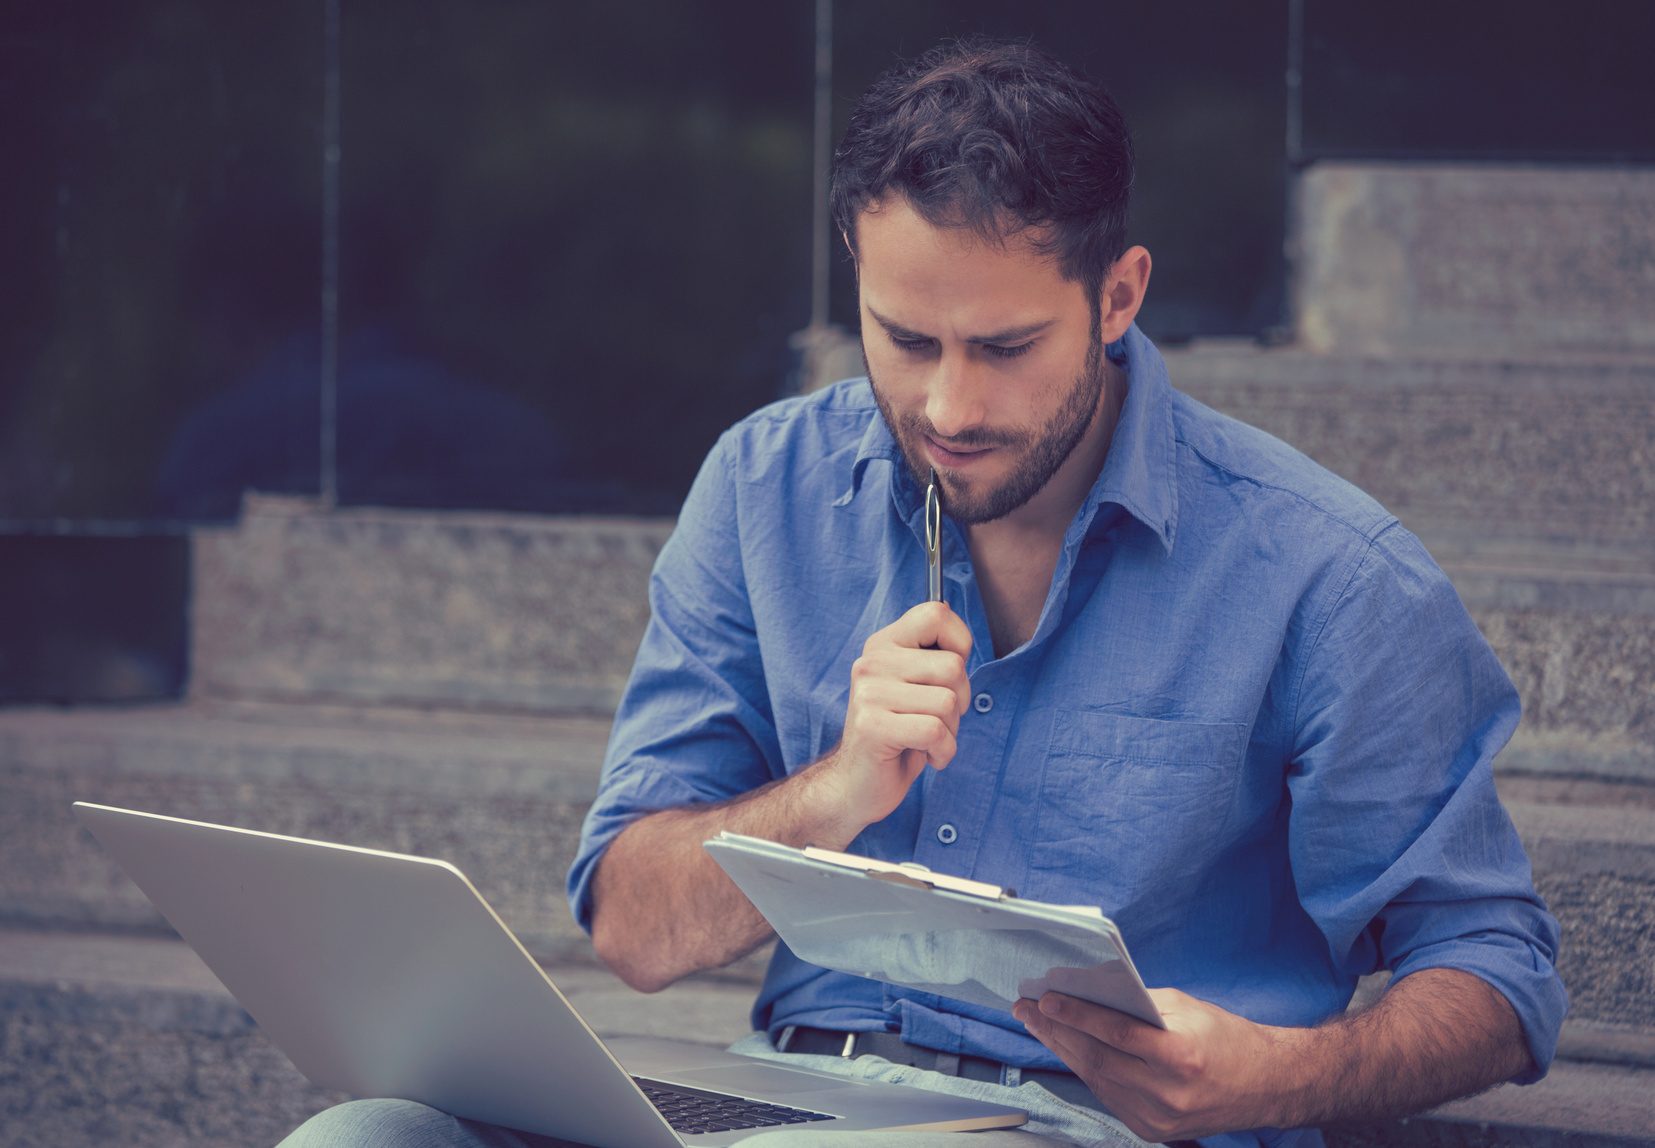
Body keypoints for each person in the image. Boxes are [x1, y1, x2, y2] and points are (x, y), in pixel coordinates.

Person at [281, 36, 1565, 1148]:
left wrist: (1279, 1071)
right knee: (367, 1130)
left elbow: (1497, 975)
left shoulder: (1326, 576)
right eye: (903, 339)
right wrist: (837, 789)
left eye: (1004, 348)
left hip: (1085, 1121)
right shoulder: (765, 484)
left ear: (1115, 296)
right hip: (785, 1096)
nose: (947, 408)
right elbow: (633, 925)